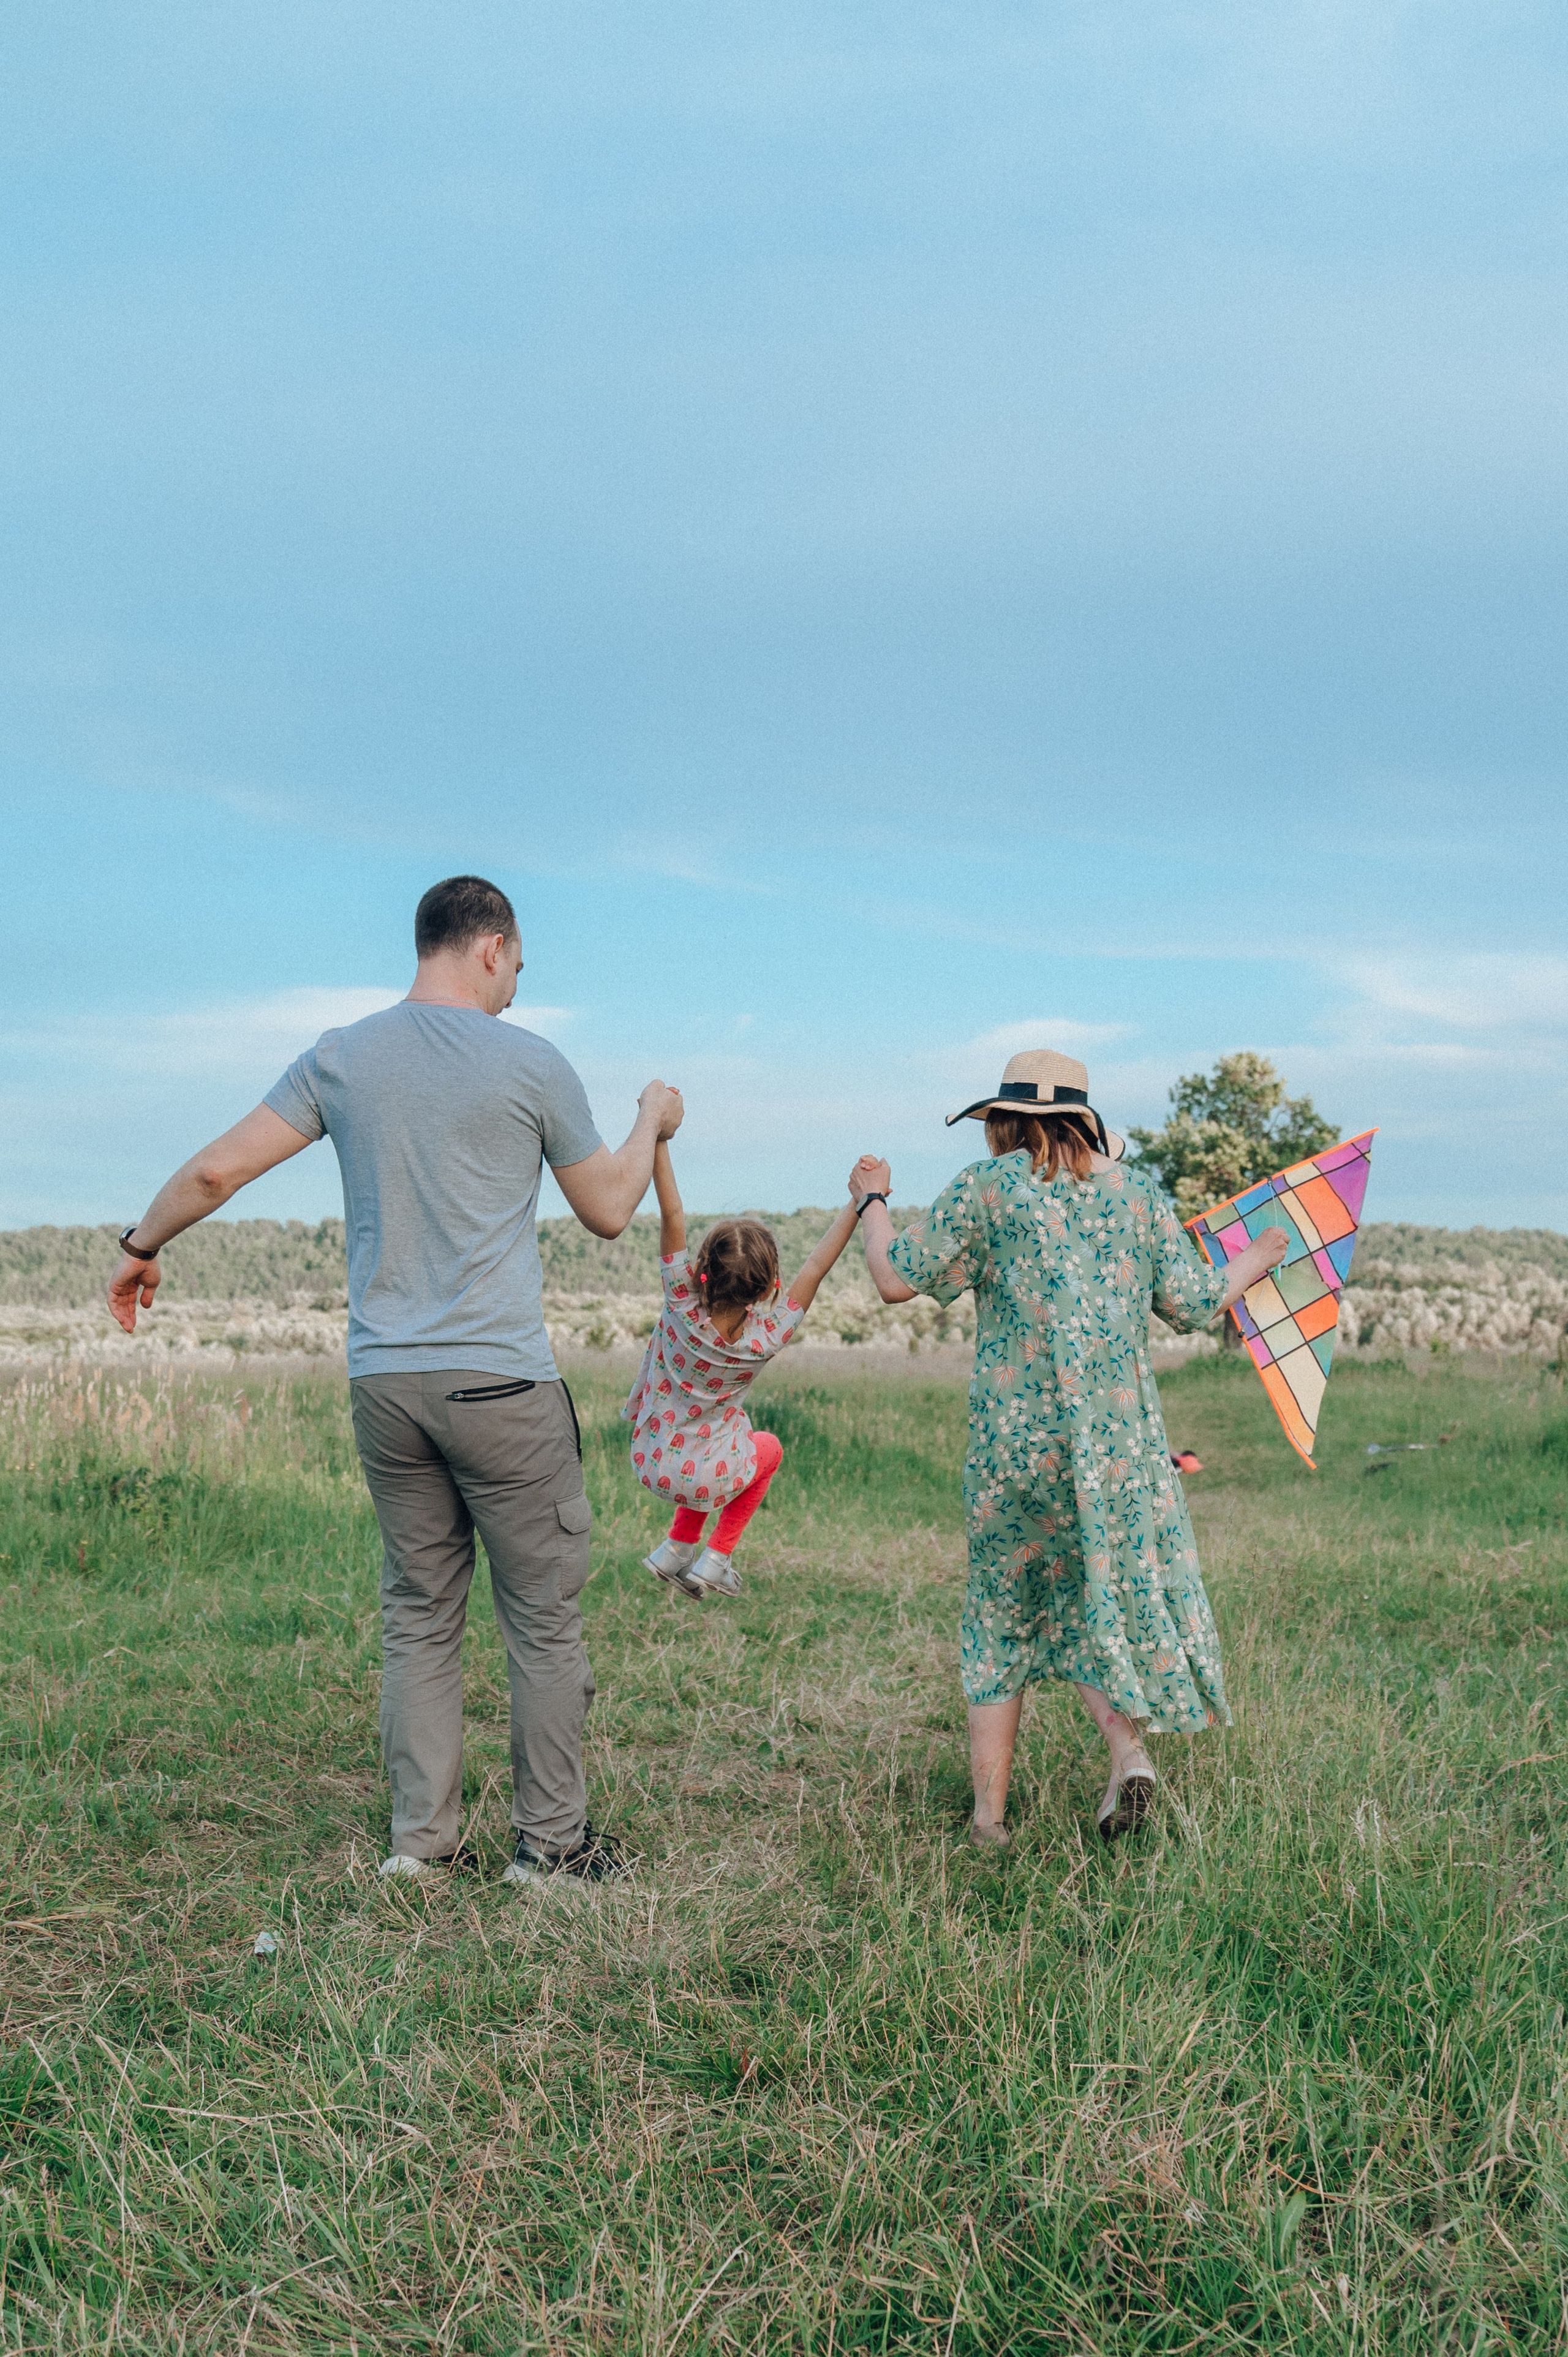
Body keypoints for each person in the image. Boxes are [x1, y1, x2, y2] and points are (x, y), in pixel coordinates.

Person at [106, 874, 684, 1887]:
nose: (513, 986)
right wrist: (651, 1116)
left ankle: (421, 1848)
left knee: (420, 1610)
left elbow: (215, 1173)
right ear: (493, 947)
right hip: (500, 1384)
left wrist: (140, 1243)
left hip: (386, 1385)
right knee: (541, 1621)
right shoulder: (532, 1062)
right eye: (516, 968)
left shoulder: (339, 1055)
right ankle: (549, 1851)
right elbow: (608, 1206)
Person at [850, 1047, 1287, 1847]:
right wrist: (1259, 1255)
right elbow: (1192, 1304)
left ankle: (989, 1822)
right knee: (1092, 1599)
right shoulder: (1137, 1195)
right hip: (1117, 1453)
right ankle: (1127, 1752)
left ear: (1006, 1120)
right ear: (1083, 1119)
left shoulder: (989, 1189)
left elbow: (892, 1276)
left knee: (1000, 1615)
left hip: (1013, 1449)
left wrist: (873, 1200)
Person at [628, 1137, 858, 1598]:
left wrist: (658, 1137)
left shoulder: (680, 1305)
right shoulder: (766, 1337)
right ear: (770, 1287)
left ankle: (676, 1549)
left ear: (700, 1267)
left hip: (652, 1459)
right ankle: (716, 1558)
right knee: (766, 1447)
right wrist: (860, 1201)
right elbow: (815, 1267)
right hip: (709, 1473)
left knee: (714, 1446)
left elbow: (672, 1215)